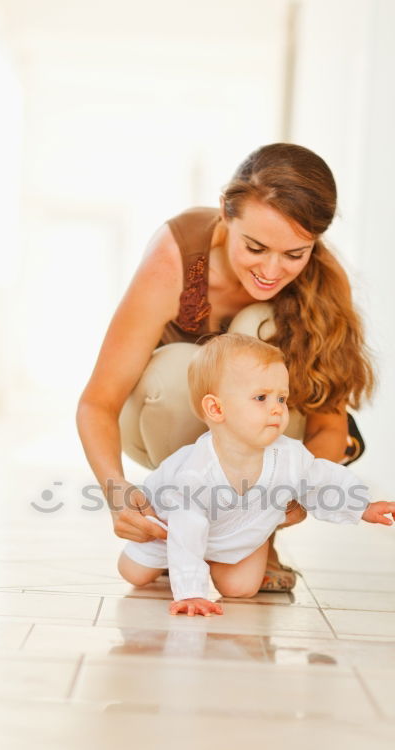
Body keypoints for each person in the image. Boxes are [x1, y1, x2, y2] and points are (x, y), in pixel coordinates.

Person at [76, 143, 376, 591]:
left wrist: (293, 499)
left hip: (267, 458)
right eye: (255, 247)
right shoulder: (174, 258)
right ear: (225, 213)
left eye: (295, 254)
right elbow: (97, 403)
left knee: (258, 330)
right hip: (159, 419)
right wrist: (118, 494)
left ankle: (251, 536)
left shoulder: (323, 281)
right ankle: (187, 523)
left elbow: (327, 425)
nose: (272, 270)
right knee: (186, 366)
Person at [117, 334, 395, 617]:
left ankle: (219, 554)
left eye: (282, 398)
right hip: (170, 530)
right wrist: (191, 590)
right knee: (134, 572)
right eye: (261, 398)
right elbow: (187, 527)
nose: (276, 409)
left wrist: (363, 507)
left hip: (236, 531)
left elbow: (322, 479)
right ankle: (185, 563)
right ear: (216, 408)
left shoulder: (289, 455)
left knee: (241, 588)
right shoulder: (196, 471)